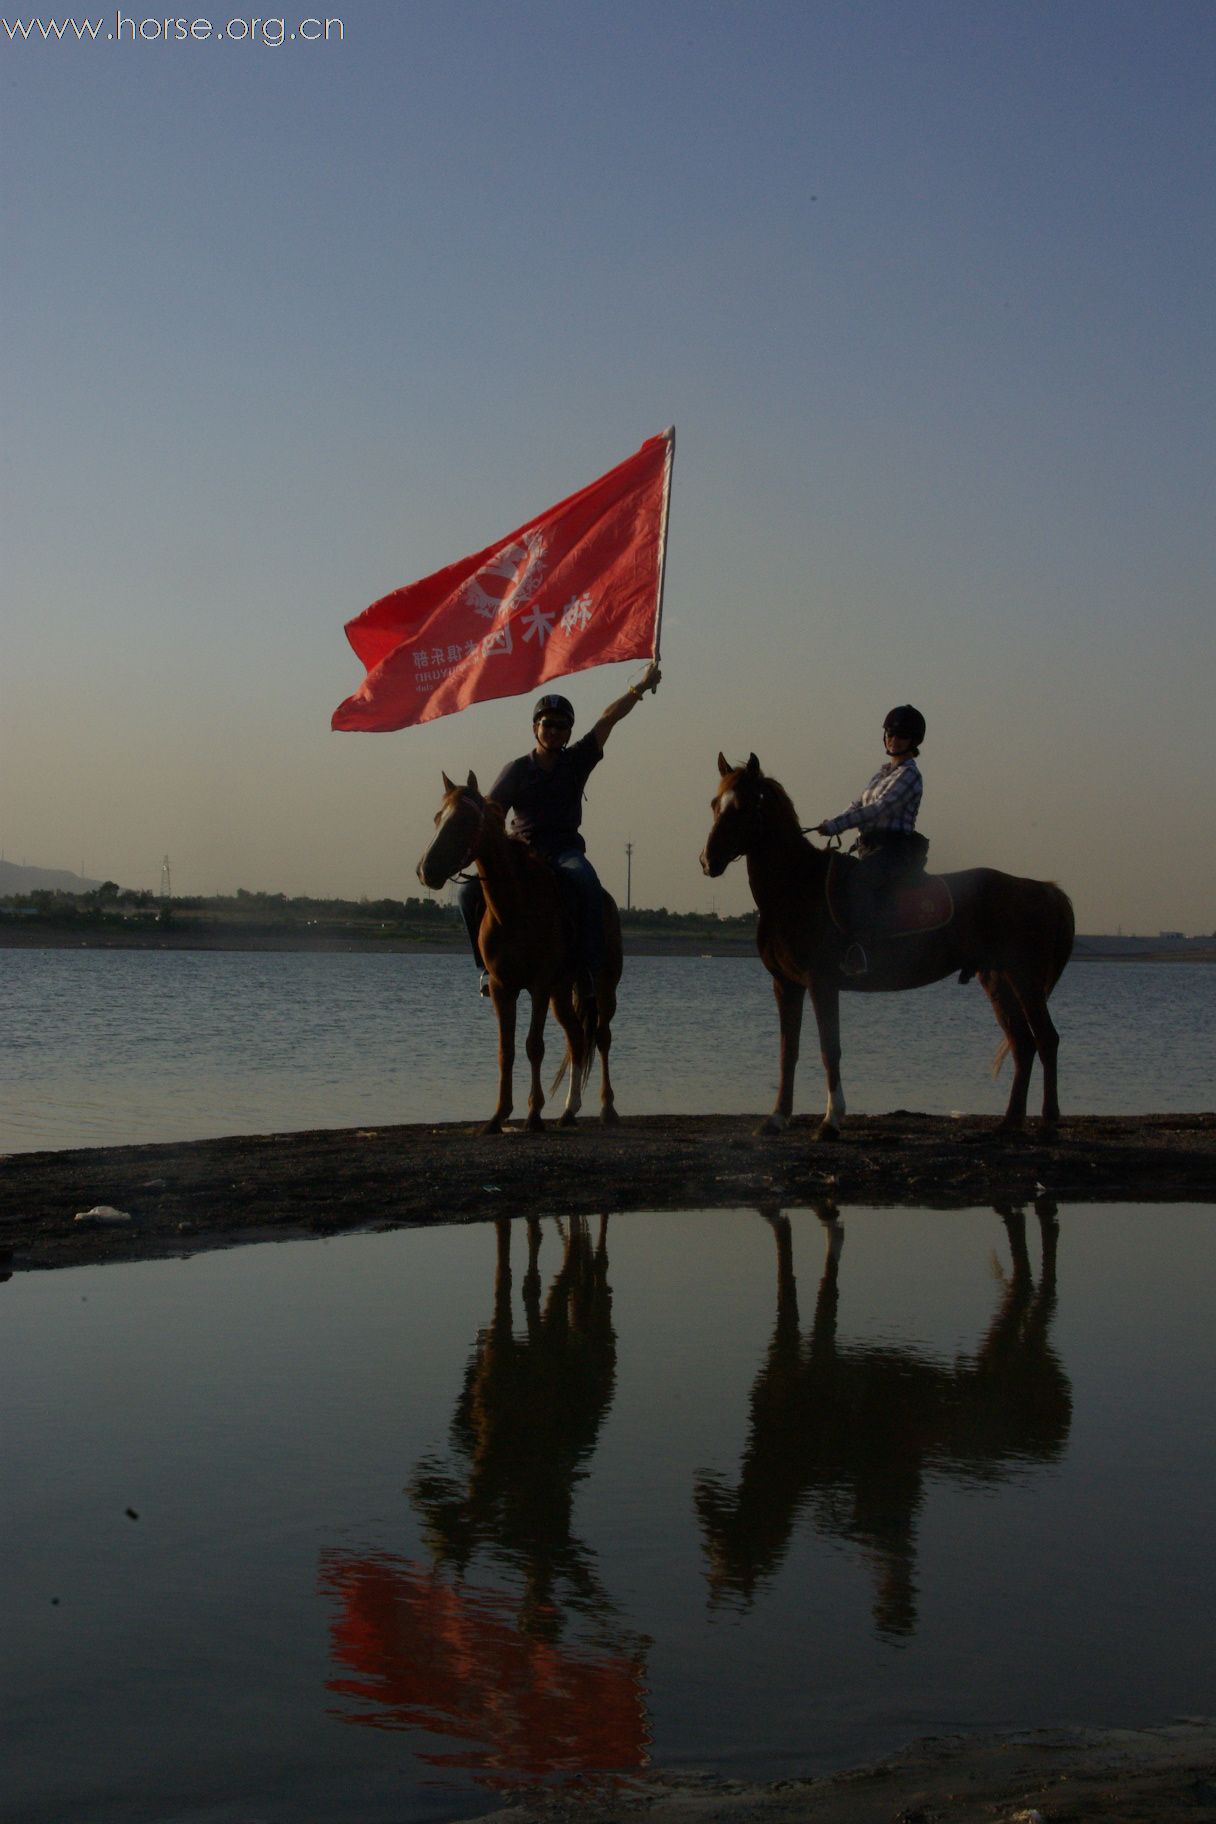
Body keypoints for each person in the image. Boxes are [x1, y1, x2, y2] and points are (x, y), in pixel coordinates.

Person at [458, 660, 662, 992]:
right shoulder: (517, 770)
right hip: (523, 854)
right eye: (547, 724)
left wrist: (639, 686)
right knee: (467, 893)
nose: (553, 731)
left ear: (568, 732)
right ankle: (485, 969)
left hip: (564, 851)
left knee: (586, 881)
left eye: (560, 726)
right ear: (535, 728)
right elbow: (493, 814)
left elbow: (607, 721)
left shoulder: (576, 761)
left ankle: (590, 970)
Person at [815, 704, 929, 976]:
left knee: (860, 881)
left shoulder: (910, 775)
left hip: (893, 851)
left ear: (913, 741)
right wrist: (832, 823)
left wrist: (836, 826)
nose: (893, 739)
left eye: (900, 735)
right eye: (890, 734)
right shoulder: (882, 773)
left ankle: (863, 949)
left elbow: (880, 808)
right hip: (870, 848)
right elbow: (858, 805)